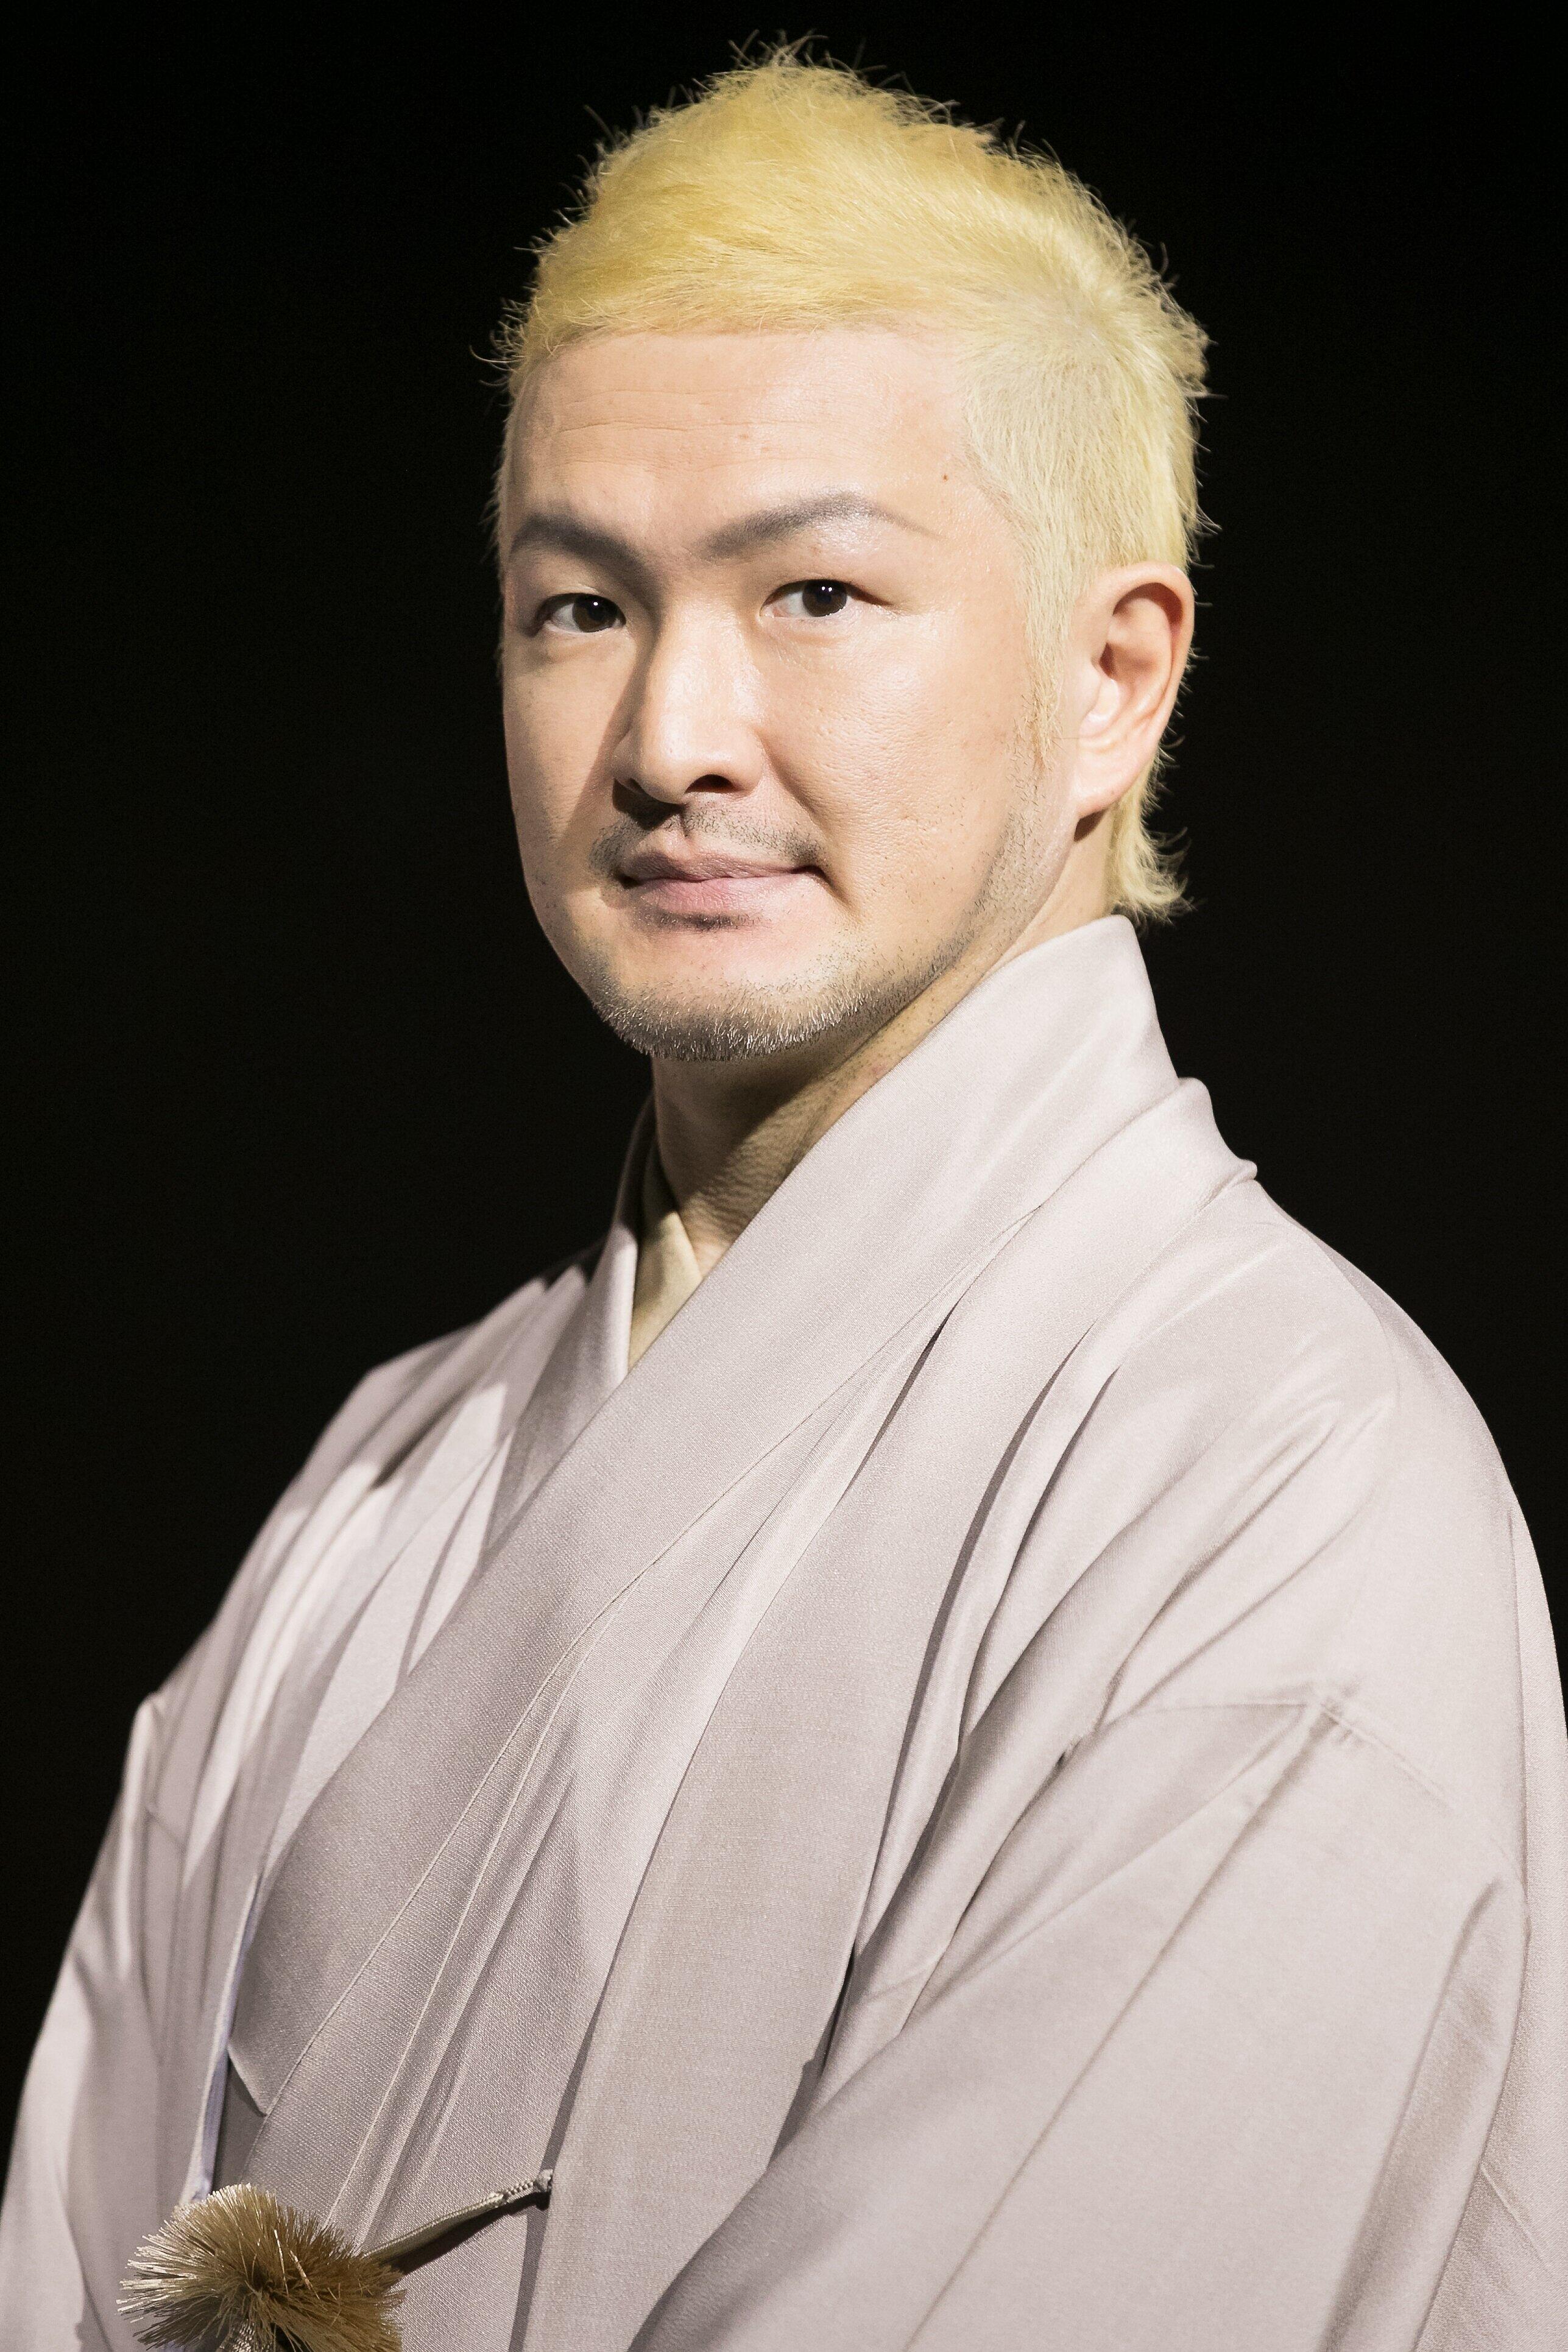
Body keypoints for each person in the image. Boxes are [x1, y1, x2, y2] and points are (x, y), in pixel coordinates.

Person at [3, 53, 1563, 2352]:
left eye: (815, 592)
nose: (668, 742)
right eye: (578, 607)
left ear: (1114, 677)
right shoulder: (381, 1481)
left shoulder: (1275, 1485)